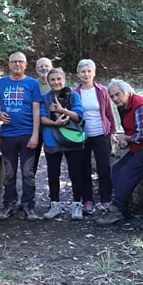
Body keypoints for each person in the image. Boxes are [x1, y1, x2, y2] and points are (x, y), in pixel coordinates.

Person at [96, 79, 143, 226]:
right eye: (112, 96)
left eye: (118, 94)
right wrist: (125, 140)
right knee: (117, 169)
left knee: (127, 172)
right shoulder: (124, 106)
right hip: (141, 146)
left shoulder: (140, 106)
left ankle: (116, 210)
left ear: (128, 92)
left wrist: (128, 138)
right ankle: (123, 208)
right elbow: (134, 132)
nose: (115, 99)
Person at [0, 51, 43, 220]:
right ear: (9, 64)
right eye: (14, 62)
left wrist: (35, 135)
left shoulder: (32, 84)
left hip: (27, 134)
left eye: (20, 62)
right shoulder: (1, 83)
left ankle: (28, 205)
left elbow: (36, 109)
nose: (17, 64)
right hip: (8, 135)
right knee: (9, 172)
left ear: (25, 65)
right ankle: (9, 204)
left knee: (27, 172)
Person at [39, 68, 89, 220]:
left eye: (59, 79)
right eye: (52, 80)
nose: (56, 82)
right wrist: (55, 123)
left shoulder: (73, 95)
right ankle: (55, 204)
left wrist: (62, 110)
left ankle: (76, 204)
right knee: (53, 173)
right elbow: (41, 118)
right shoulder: (45, 97)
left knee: (75, 172)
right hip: (52, 138)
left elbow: (78, 115)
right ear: (48, 81)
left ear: (64, 80)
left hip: (71, 138)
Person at [73, 59, 116, 213]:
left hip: (101, 134)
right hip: (82, 136)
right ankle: (88, 200)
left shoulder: (102, 90)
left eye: (89, 71)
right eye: (83, 71)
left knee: (103, 168)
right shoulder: (74, 93)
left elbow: (109, 114)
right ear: (78, 74)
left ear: (94, 73)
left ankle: (106, 199)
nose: (86, 74)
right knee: (84, 169)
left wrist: (113, 133)